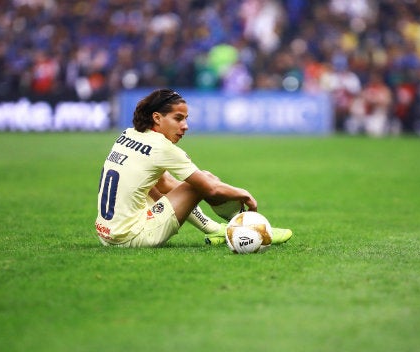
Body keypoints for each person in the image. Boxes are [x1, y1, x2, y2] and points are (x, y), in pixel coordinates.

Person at [95, 88, 292, 248]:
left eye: (186, 119)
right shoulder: (162, 147)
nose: (185, 126)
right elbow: (210, 189)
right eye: (178, 118)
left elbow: (164, 184)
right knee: (202, 181)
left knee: (159, 184)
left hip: (107, 235)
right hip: (132, 237)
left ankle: (217, 229)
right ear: (157, 118)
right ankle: (252, 229)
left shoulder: (127, 135)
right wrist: (244, 193)